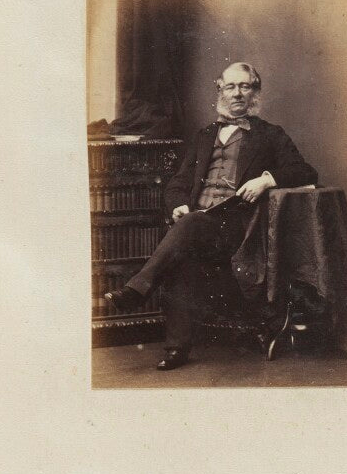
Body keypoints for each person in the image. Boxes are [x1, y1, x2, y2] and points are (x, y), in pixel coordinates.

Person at [105, 62, 318, 370]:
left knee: (189, 228)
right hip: (198, 226)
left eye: (245, 86)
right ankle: (176, 349)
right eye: (231, 86)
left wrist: (265, 180)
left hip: (237, 229)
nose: (238, 93)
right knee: (185, 240)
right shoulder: (204, 136)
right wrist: (178, 204)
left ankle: (137, 290)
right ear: (220, 91)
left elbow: (305, 171)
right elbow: (178, 184)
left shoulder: (270, 135)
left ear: (255, 93)